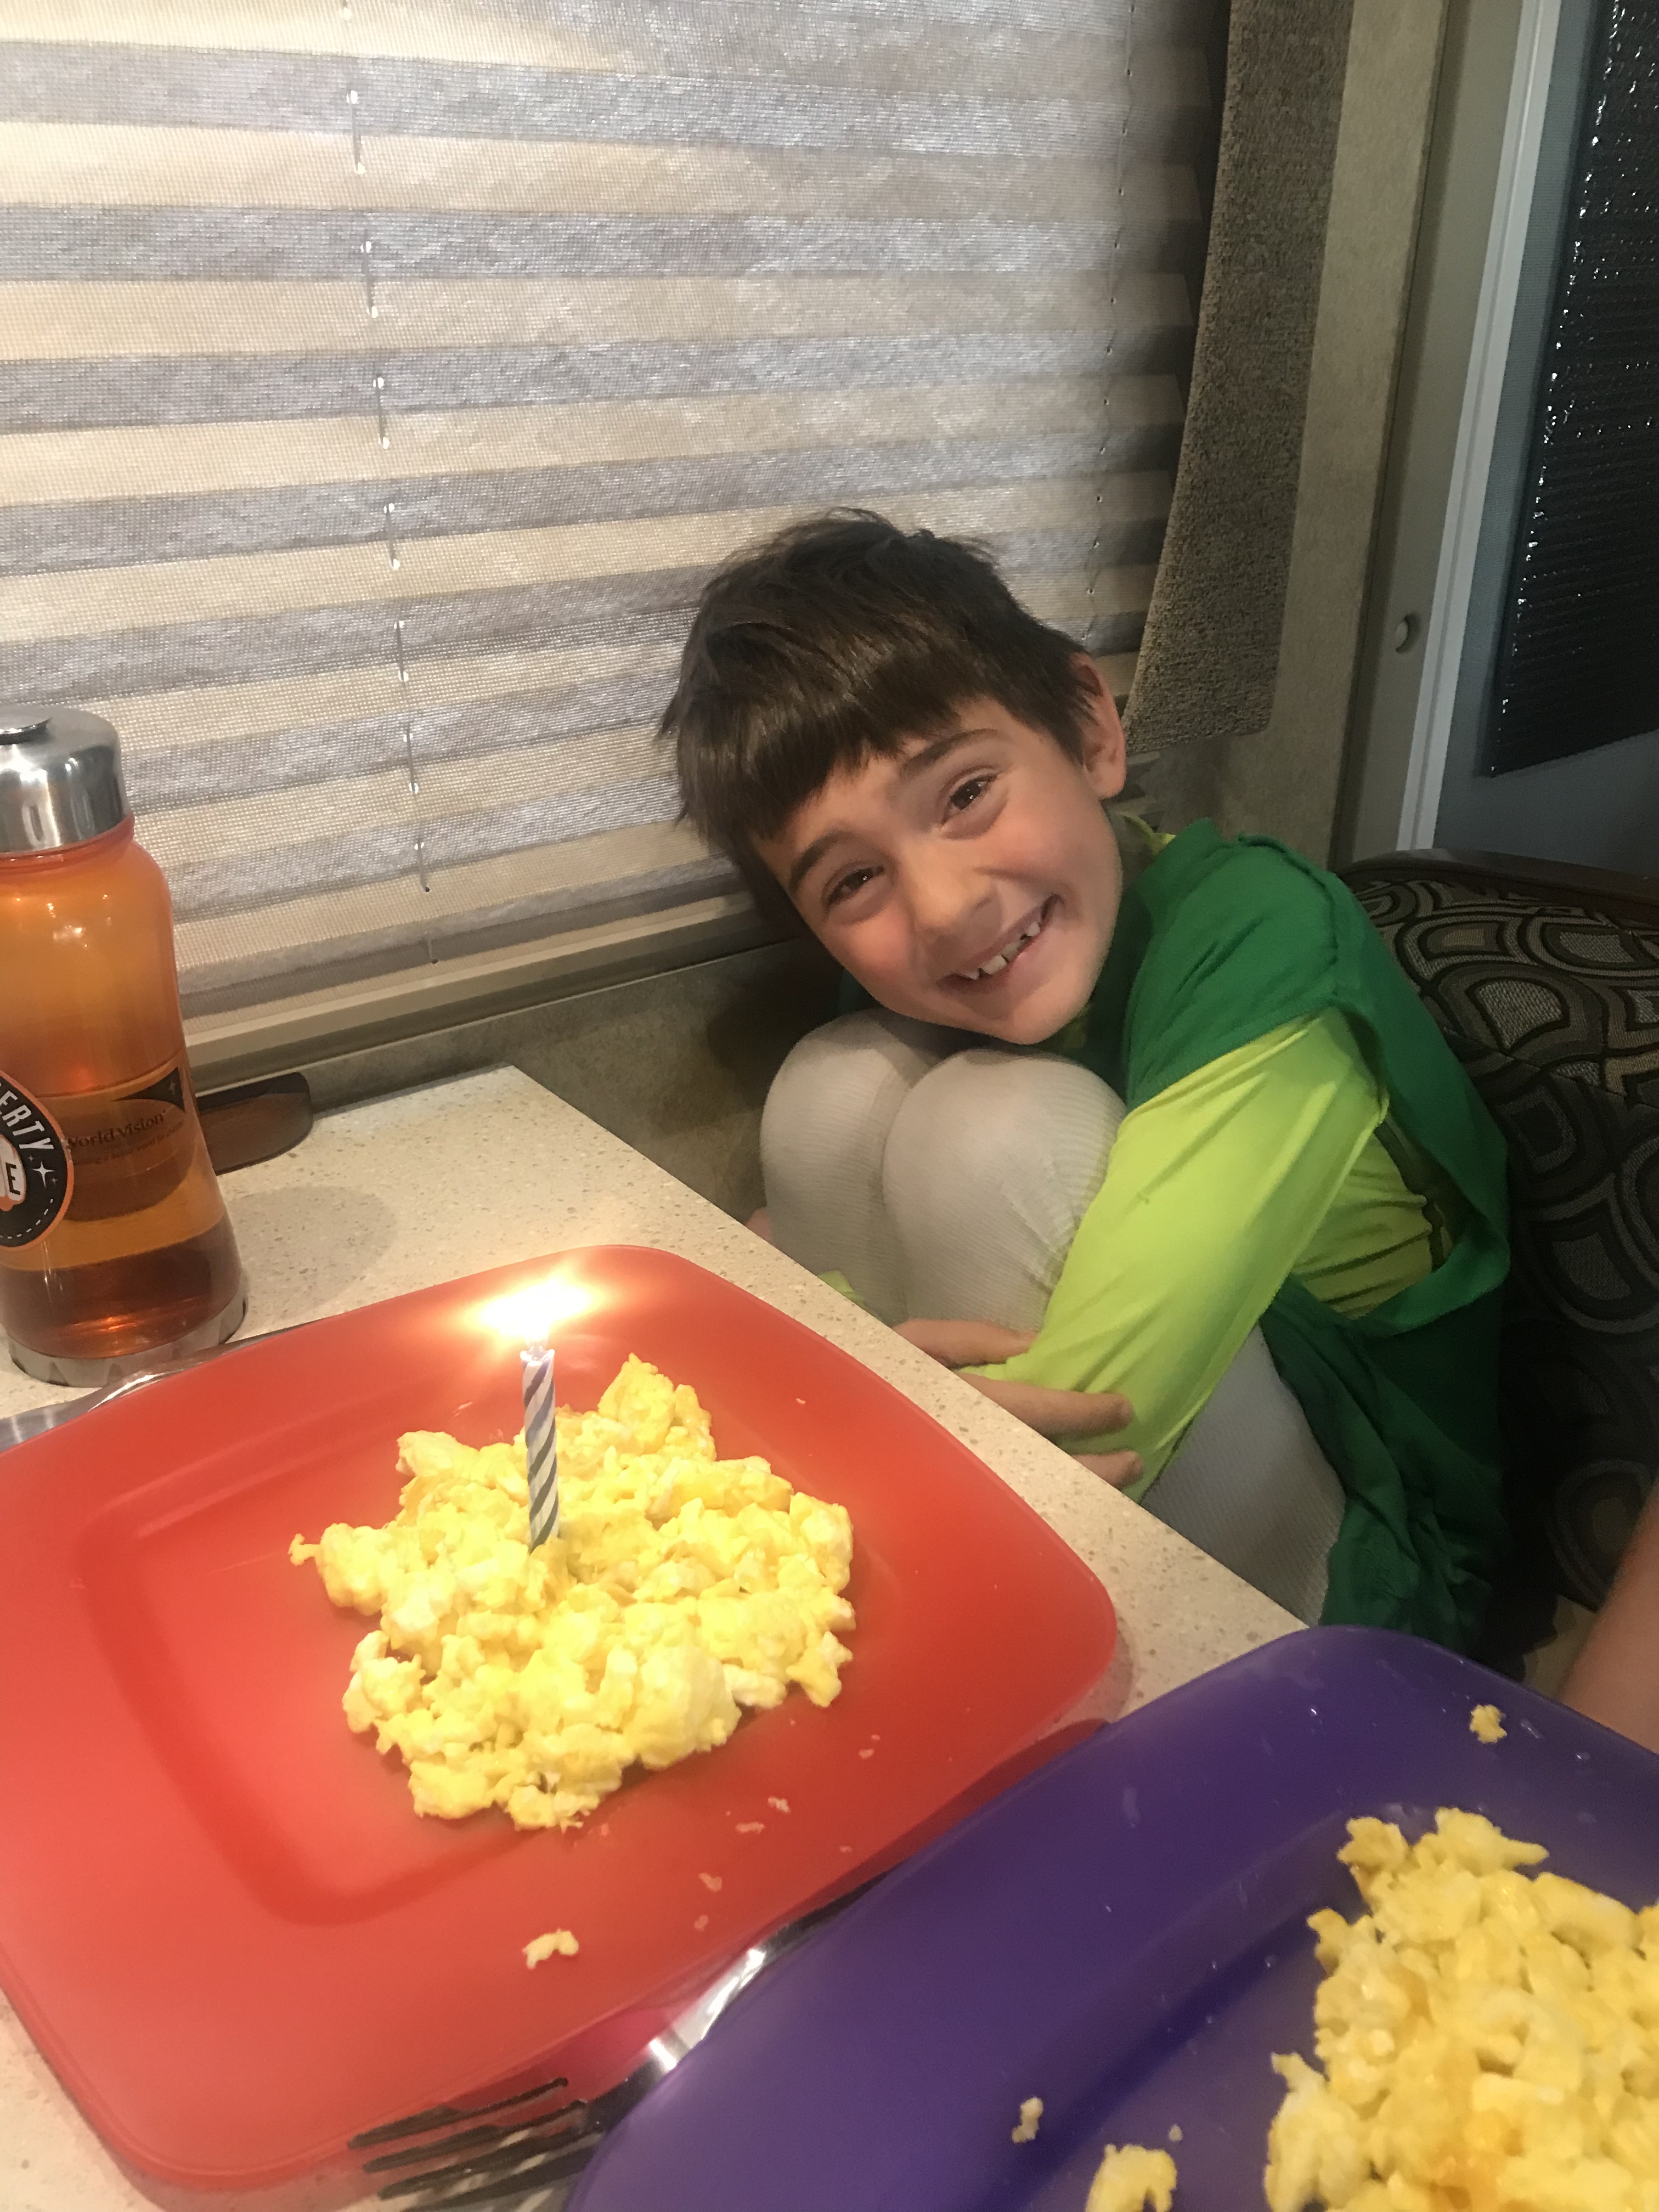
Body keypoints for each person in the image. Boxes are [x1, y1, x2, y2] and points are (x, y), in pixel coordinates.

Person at [661, 511, 1511, 1643]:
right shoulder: (934, 984)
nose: (945, 907)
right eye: (853, 882)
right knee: (835, 1085)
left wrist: (812, 1410)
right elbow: (804, 1253)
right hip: (1026, 1502)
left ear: (1090, 729)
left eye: (965, 793)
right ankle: (945, 1634)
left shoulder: (1263, 934)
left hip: (1374, 1570)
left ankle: (959, 1649)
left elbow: (1100, 1409)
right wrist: (826, 1365)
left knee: (995, 1129)